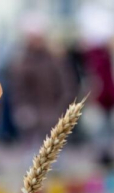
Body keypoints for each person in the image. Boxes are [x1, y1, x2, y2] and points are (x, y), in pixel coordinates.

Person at [10, 13, 77, 148]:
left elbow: (68, 86)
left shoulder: (56, 59)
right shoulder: (21, 62)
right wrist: (23, 109)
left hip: (54, 114)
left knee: (56, 151)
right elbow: (18, 90)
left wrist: (62, 109)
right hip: (32, 118)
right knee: (34, 155)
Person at [77, 1, 114, 170]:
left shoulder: (107, 58)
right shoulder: (96, 58)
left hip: (107, 95)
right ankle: (101, 150)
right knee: (98, 123)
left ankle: (108, 150)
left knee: (109, 122)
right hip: (100, 94)